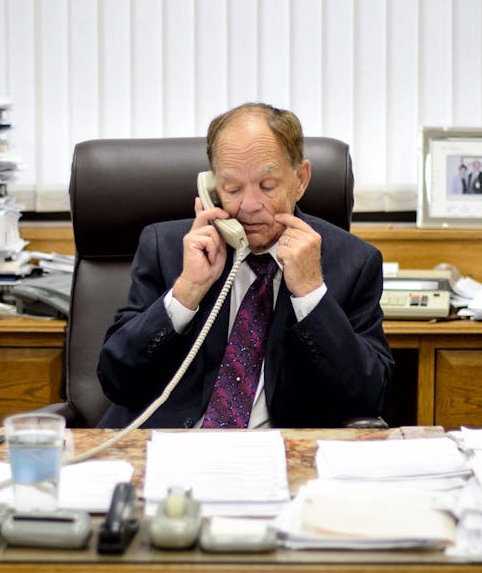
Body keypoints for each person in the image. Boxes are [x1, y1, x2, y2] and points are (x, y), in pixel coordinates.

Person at [96, 102, 393, 428]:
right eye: (232, 188)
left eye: (268, 186)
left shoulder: (352, 262)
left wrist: (311, 294)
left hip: (279, 459)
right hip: (169, 450)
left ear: (301, 179)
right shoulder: (168, 248)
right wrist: (186, 292)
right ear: (210, 188)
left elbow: (368, 397)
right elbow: (115, 380)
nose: (249, 206)